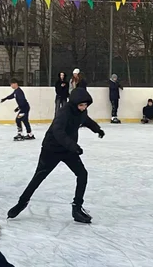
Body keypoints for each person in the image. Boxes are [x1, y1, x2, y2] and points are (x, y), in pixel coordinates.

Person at [7, 87, 103, 224]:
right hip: (51, 149)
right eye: (81, 105)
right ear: (75, 103)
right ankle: (21, 203)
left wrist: (97, 129)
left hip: (68, 150)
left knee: (82, 174)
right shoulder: (64, 112)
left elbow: (85, 119)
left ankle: (76, 208)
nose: (83, 108)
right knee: (39, 176)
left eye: (86, 105)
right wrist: (73, 146)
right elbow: (58, 132)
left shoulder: (81, 111)